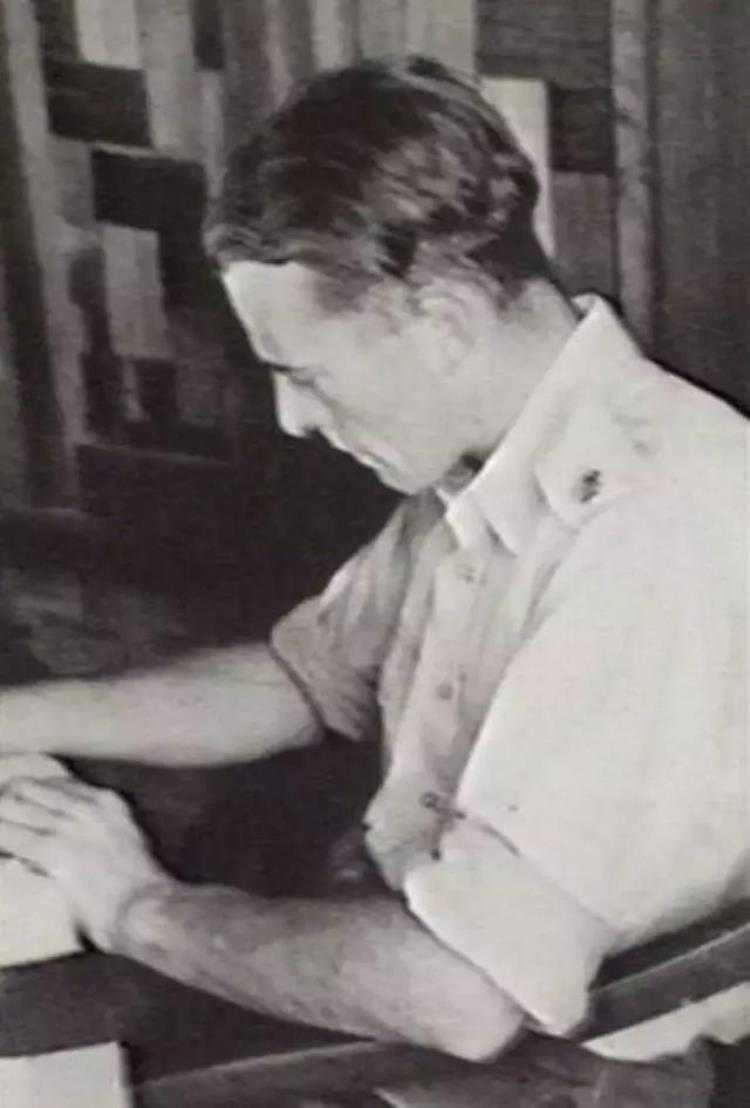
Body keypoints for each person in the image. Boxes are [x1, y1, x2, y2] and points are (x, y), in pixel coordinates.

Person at [0, 56, 746, 1107]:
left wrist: (134, 906)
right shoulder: (494, 455)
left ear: (441, 322)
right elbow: (303, 678)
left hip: (549, 1079)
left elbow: (462, 997)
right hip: (398, 974)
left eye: (305, 374)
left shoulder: (650, 526)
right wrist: (18, 719)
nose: (293, 419)